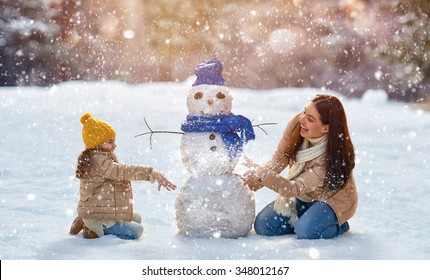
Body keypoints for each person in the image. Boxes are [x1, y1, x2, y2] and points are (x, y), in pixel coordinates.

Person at [242, 94, 357, 239]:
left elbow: (293, 188)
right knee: (263, 225)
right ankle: (307, 219)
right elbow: (279, 158)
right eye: (304, 112)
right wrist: (250, 182)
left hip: (331, 200)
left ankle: (337, 225)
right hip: (304, 196)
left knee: (306, 232)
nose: (302, 119)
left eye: (310, 119)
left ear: (326, 129)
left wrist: (262, 174)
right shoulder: (297, 125)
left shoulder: (328, 160)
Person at [69, 113, 176, 240]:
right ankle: (94, 229)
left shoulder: (95, 156)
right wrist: (150, 173)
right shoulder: (100, 161)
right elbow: (123, 171)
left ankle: (86, 219)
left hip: (96, 208)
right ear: (97, 143)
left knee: (137, 218)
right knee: (137, 231)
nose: (114, 145)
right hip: (100, 215)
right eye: (110, 142)